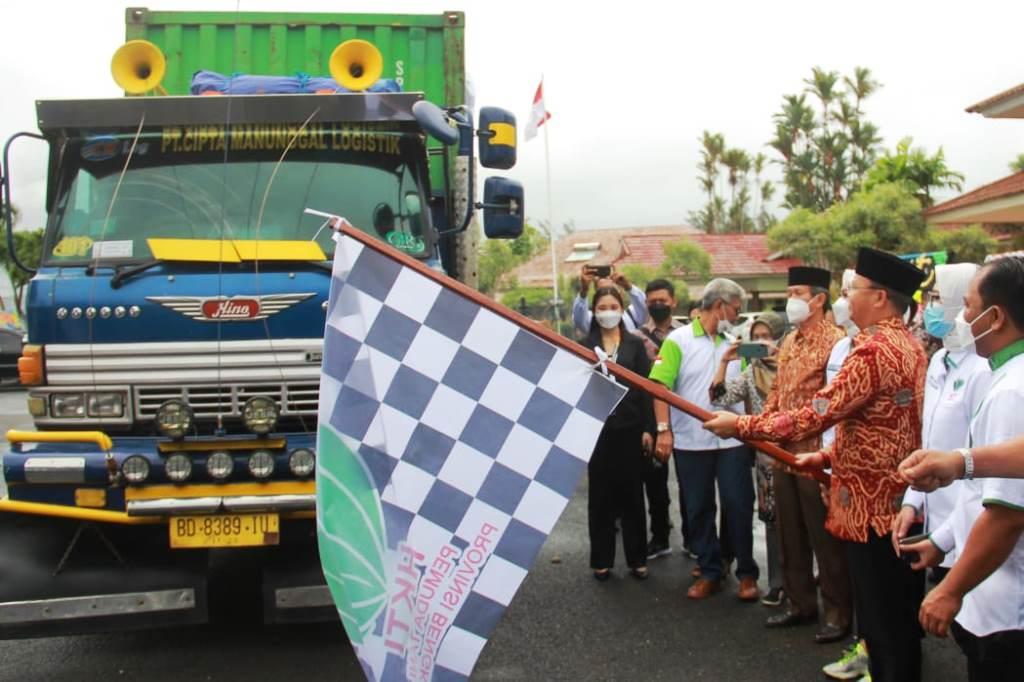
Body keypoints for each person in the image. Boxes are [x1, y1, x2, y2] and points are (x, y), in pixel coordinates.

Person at [703, 247, 928, 682]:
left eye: (855, 290)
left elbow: (818, 411)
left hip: (869, 507)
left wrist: (742, 426)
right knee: (894, 622)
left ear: (880, 297)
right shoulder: (907, 344)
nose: (850, 299)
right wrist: (827, 455)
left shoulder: (872, 350)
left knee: (883, 626)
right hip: (894, 501)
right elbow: (884, 426)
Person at [899, 256, 1024, 680]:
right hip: (993, 594)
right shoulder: (1005, 375)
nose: (962, 316)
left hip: (1007, 609)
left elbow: (1007, 514)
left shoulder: (1012, 391)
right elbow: (983, 486)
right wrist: (943, 539)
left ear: (996, 316)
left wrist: (950, 589)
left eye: (968, 306)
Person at [753, 266, 853, 645]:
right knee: (789, 533)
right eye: (789, 292)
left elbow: (834, 404)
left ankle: (838, 613)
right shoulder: (791, 340)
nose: (791, 299)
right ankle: (800, 604)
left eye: (797, 292)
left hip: (815, 456)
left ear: (818, 299)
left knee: (825, 540)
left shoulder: (837, 342)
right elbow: (777, 389)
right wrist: (760, 426)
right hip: (782, 454)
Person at [649, 278, 760, 601]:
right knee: (698, 508)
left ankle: (746, 573)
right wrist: (663, 429)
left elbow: (747, 390)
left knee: (739, 505)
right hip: (691, 440)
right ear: (719, 305)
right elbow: (660, 387)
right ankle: (710, 569)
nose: (738, 316)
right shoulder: (677, 341)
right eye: (736, 309)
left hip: (732, 441)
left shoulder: (735, 343)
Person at [891, 263, 991, 585]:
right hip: (938, 518)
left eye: (936, 297)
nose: (928, 307)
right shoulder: (938, 360)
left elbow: (982, 459)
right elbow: (930, 443)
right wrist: (912, 502)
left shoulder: (983, 368)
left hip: (974, 524)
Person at [709, 312, 786, 606]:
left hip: (795, 451)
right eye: (757, 336)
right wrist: (724, 362)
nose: (762, 342)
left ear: (781, 336)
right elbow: (719, 399)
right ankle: (778, 583)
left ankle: (803, 580)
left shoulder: (794, 367)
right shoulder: (752, 370)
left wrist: (782, 357)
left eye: (768, 336)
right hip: (766, 456)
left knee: (799, 520)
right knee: (771, 518)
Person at [585, 286, 654, 581]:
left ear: (622, 309)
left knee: (632, 497)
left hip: (630, 429)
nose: (608, 312)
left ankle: (637, 558)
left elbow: (647, 389)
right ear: (593, 312)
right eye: (602, 307)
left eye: (613, 306)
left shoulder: (635, 345)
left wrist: (650, 428)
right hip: (596, 432)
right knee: (600, 497)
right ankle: (602, 559)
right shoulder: (583, 345)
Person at [635, 278, 684, 560]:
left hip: (685, 414)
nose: (657, 305)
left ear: (673, 301)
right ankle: (660, 535)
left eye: (662, 300)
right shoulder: (638, 337)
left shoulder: (687, 334)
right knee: (655, 480)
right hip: (653, 415)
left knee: (691, 482)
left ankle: (693, 538)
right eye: (652, 301)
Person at [573, 266, 647, 336]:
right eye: (603, 292)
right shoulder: (592, 319)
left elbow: (645, 307)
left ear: (620, 293)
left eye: (612, 291)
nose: (608, 294)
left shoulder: (632, 315)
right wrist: (584, 290)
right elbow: (579, 320)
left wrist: (628, 286)